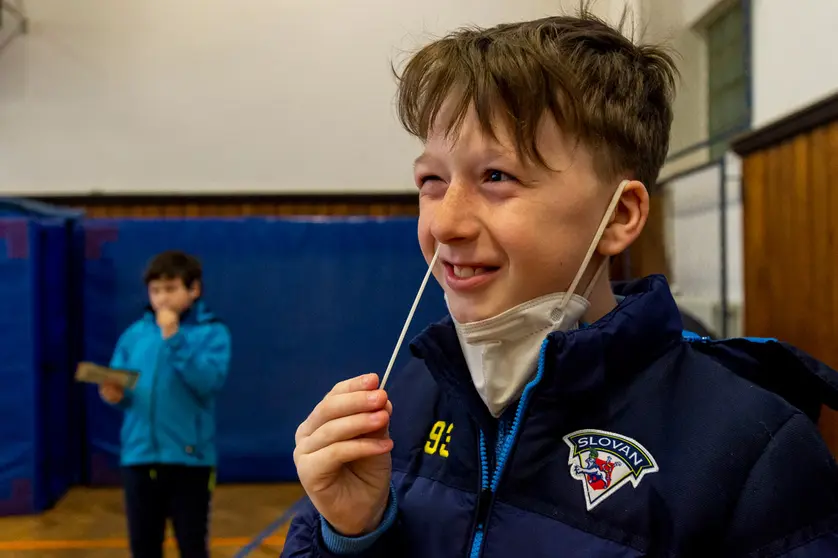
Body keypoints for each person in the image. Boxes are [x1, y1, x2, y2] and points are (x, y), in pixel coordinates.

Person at [283, 11, 838, 558]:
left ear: (619, 216)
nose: (444, 224)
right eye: (432, 180)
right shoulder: (406, 395)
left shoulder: (751, 448)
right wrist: (354, 535)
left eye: (496, 176)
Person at [99, 250, 231, 558]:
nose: (162, 298)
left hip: (189, 460)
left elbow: (207, 382)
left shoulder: (212, 333)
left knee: (192, 544)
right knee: (143, 546)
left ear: (193, 289)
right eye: (155, 290)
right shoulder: (135, 335)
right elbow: (125, 387)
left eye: (171, 289)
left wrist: (173, 338)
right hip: (138, 457)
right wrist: (116, 395)